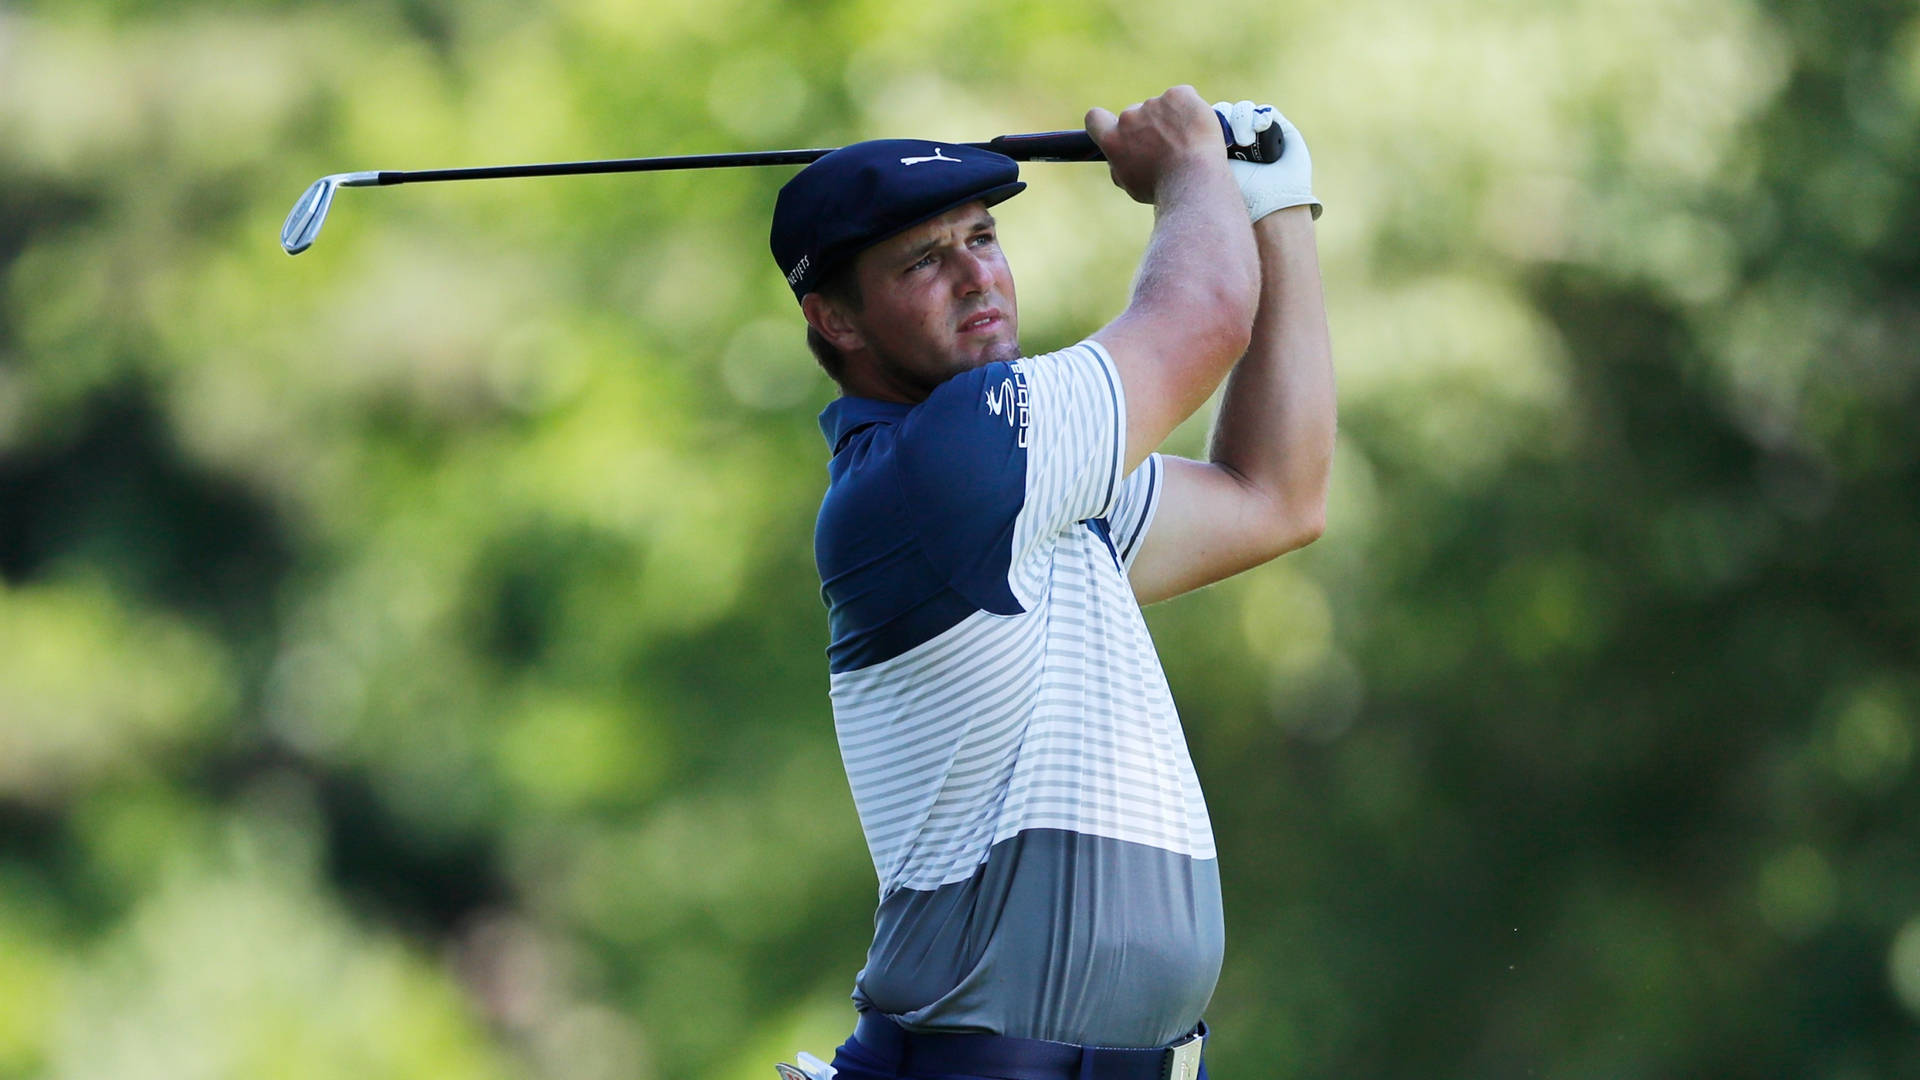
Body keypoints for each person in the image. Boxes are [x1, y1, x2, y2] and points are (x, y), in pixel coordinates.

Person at [766, 86, 1335, 1080]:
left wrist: (1272, 206)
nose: (975, 276)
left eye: (983, 237)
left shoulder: (1038, 495)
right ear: (833, 319)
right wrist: (1192, 166)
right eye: (922, 260)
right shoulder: (943, 468)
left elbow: (1275, 493)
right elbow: (1202, 314)